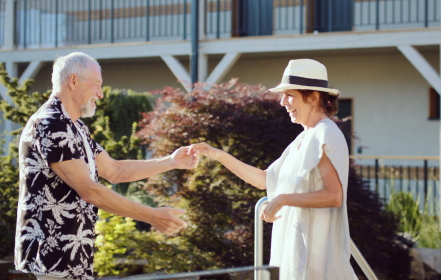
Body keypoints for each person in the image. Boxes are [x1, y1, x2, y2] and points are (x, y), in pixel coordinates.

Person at [14, 52, 200, 280]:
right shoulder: (51, 124)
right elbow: (89, 190)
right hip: (52, 255)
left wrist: (171, 161)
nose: (100, 94)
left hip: (71, 257)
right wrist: (152, 216)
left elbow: (113, 170)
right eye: (96, 85)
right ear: (73, 81)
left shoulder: (75, 127)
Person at [189, 59, 357, 280]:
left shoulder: (326, 134)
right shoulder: (303, 137)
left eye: (290, 95)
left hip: (315, 253)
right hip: (292, 245)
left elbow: (334, 196)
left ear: (314, 97)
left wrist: (283, 199)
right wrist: (217, 155)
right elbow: (264, 180)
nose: (282, 102)